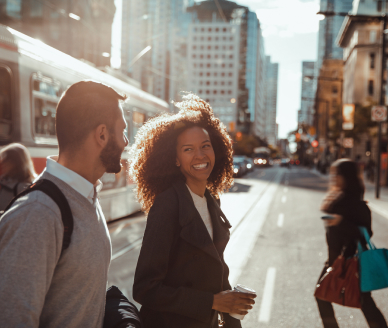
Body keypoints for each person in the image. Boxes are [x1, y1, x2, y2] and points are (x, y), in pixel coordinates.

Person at [0, 80, 129, 327]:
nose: (125, 142)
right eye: (122, 130)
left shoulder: (87, 197)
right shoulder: (38, 215)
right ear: (102, 134)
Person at [130, 94, 256, 328]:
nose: (200, 155)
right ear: (176, 159)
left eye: (205, 146)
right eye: (188, 149)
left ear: (216, 149)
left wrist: (230, 306)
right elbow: (145, 289)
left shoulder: (211, 200)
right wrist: (213, 302)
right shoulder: (168, 204)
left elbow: (219, 274)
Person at [317, 159, 387, 328]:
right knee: (324, 296)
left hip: (351, 262)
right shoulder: (339, 197)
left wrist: (340, 222)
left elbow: (365, 234)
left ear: (346, 177)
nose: (333, 177)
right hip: (335, 259)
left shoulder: (358, 204)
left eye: (337, 174)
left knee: (363, 302)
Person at [0, 143, 36, 210]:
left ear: (16, 162)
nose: (2, 162)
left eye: (6, 159)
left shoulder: (23, 187)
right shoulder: (4, 181)